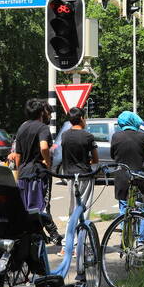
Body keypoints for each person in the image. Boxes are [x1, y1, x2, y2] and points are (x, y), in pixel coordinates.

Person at [9, 98, 56, 233]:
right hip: (37, 174)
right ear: (41, 113)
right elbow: (44, 147)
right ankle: (39, 236)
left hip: (23, 174)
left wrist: (19, 171)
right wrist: (47, 162)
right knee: (40, 209)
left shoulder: (22, 127)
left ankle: (27, 237)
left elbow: (18, 155)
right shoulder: (42, 128)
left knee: (25, 209)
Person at [111, 111, 144, 245]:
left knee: (124, 208)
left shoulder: (116, 136)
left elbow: (113, 155)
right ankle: (141, 242)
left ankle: (125, 239)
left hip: (122, 176)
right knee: (142, 210)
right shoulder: (142, 136)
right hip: (140, 175)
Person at [59, 106, 99, 252]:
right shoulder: (88, 136)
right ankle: (79, 246)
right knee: (84, 210)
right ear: (82, 118)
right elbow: (95, 159)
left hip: (69, 176)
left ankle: (66, 245)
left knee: (72, 210)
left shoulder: (64, 135)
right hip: (85, 176)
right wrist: (87, 161)